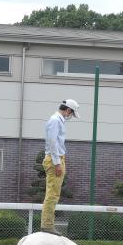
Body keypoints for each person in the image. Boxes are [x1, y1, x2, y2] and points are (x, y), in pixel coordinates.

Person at [40, 99, 80, 236]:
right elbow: (52, 142)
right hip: (54, 160)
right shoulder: (55, 120)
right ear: (68, 110)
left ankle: (48, 224)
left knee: (54, 193)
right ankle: (47, 225)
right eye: (71, 114)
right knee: (52, 194)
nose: (70, 117)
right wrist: (57, 163)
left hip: (57, 158)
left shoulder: (56, 120)